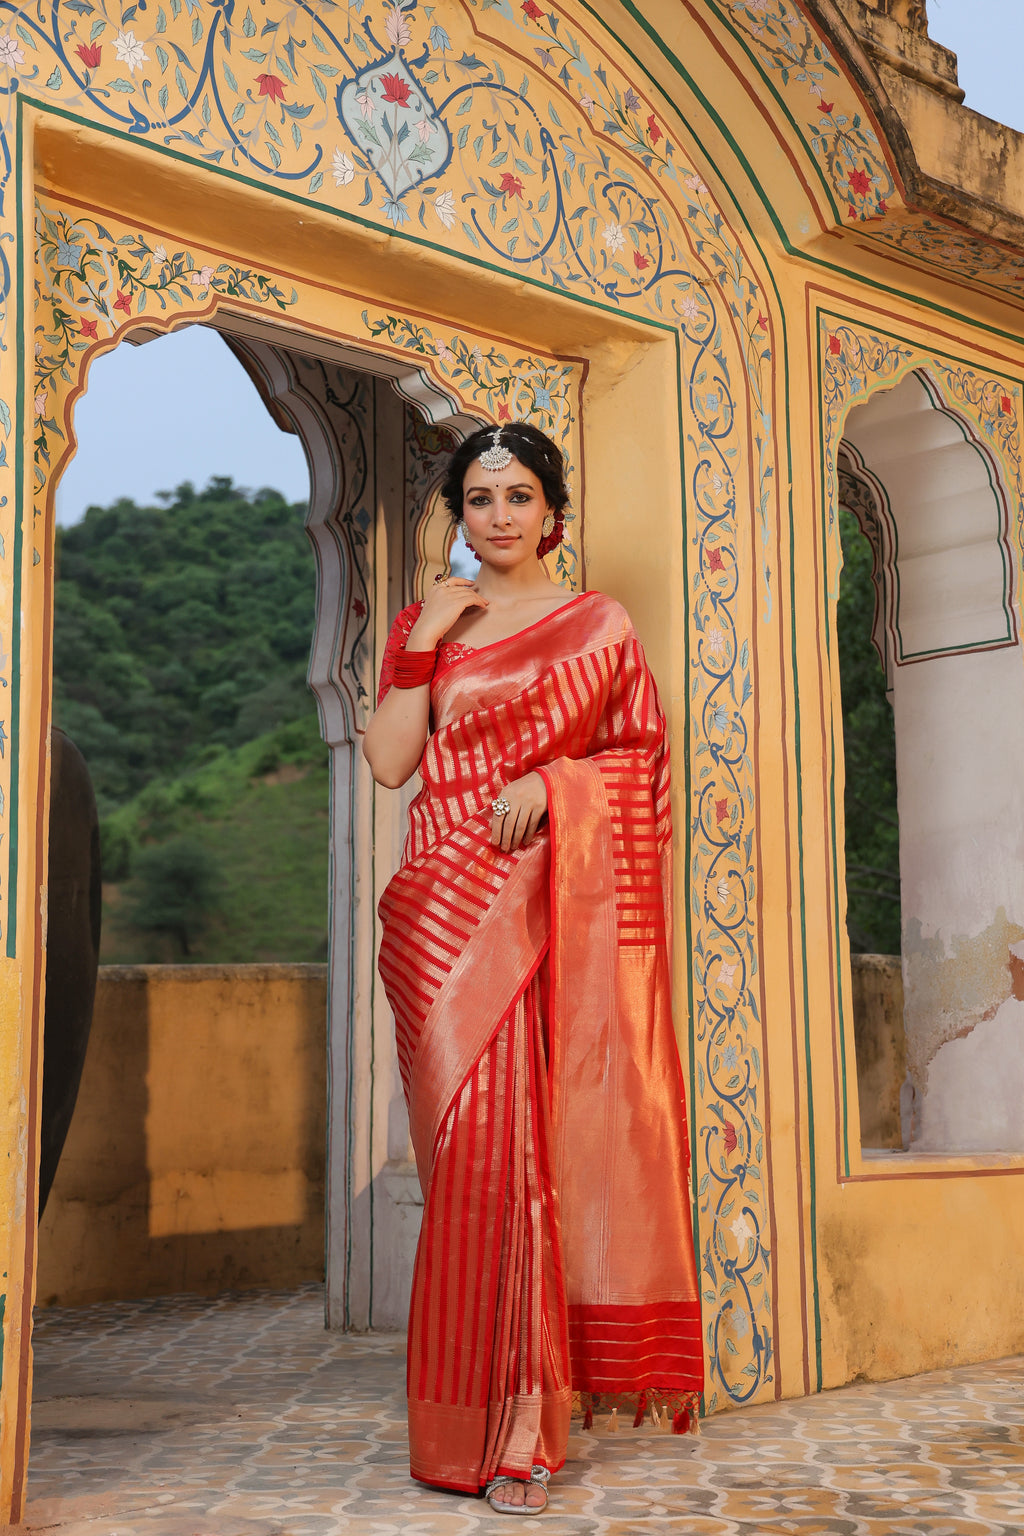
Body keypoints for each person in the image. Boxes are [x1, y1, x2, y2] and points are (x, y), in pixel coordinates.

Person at [363, 422, 702, 1516]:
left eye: (516, 496)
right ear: (457, 514)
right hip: (436, 913)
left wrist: (558, 785)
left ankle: (517, 1437)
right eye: (477, 498)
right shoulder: (432, 621)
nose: (497, 516)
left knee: (517, 1167)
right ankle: (457, 1426)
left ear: (552, 510)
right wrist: (425, 640)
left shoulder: (594, 623)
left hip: (534, 904)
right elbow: (388, 760)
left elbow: (636, 765)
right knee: (466, 1164)